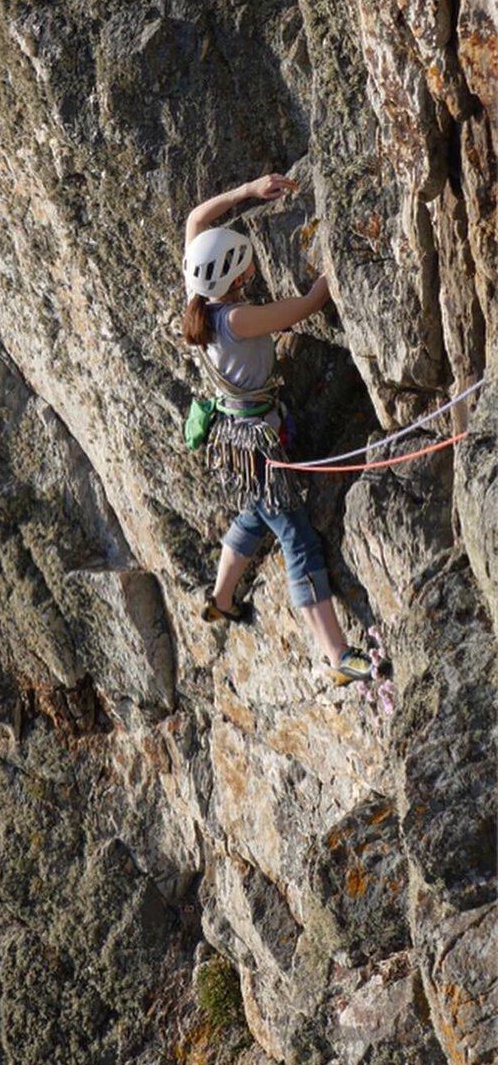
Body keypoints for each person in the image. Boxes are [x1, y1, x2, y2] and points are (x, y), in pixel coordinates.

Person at [182, 173, 373, 686]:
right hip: (261, 446)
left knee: (254, 513)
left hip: (236, 438)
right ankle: (334, 656)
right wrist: (340, 255)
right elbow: (309, 304)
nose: (249, 272)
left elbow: (196, 221)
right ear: (235, 280)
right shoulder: (238, 320)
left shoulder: (198, 296)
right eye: (244, 269)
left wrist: (247, 190)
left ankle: (222, 601)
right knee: (296, 535)